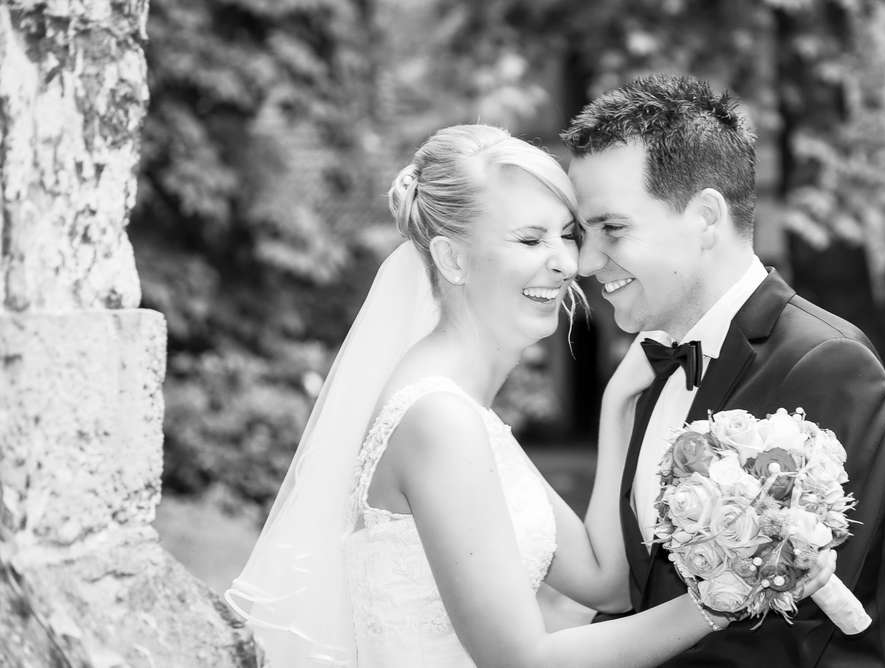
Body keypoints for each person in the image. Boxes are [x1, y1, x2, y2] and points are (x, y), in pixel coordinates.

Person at [225, 124, 837, 667]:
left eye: (565, 235)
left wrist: (613, 411)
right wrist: (724, 598)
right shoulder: (439, 420)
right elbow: (521, 657)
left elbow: (606, 581)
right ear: (452, 258)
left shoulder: (461, 410)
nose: (567, 262)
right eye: (529, 240)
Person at [562, 74, 885, 667]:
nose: (587, 261)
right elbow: (641, 592)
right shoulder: (650, 371)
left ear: (705, 218)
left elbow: (784, 632)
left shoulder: (829, 365)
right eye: (582, 233)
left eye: (612, 228)